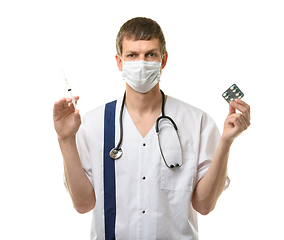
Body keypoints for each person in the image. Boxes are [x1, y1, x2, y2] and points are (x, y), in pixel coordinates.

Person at [53, 17, 251, 240]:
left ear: (163, 60)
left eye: (150, 54)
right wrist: (65, 139)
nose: (141, 63)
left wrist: (226, 142)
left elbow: (204, 206)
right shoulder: (93, 123)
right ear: (119, 62)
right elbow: (83, 204)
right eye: (132, 55)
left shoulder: (197, 123)